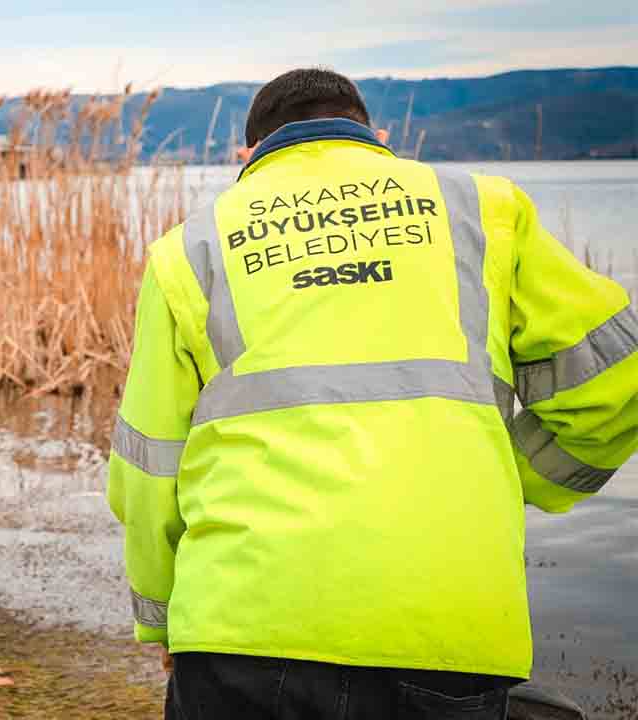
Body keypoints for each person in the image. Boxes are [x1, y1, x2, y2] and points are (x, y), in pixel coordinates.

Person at [108, 67, 638, 719]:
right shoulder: (484, 209)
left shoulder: (188, 249)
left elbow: (148, 468)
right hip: (450, 621)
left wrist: (163, 621)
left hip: (240, 622)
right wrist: (516, 476)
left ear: (246, 156)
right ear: (378, 137)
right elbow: (621, 383)